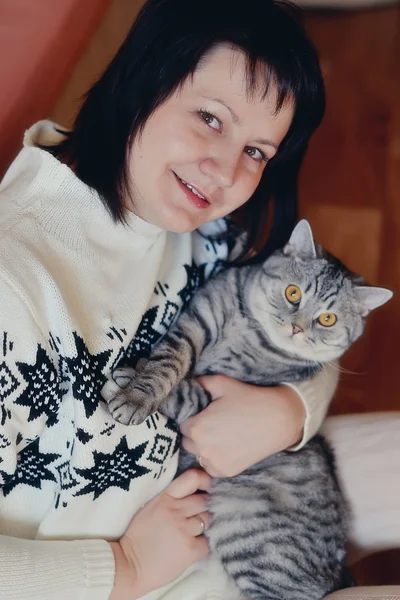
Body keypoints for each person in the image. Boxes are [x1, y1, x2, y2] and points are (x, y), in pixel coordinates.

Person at [0, 0, 393, 598]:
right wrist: (125, 568)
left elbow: (298, 329)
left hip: (247, 490)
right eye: (211, 118)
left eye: (258, 151)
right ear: (145, 76)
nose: (225, 171)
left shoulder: (188, 221)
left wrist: (290, 410)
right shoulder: (16, 283)